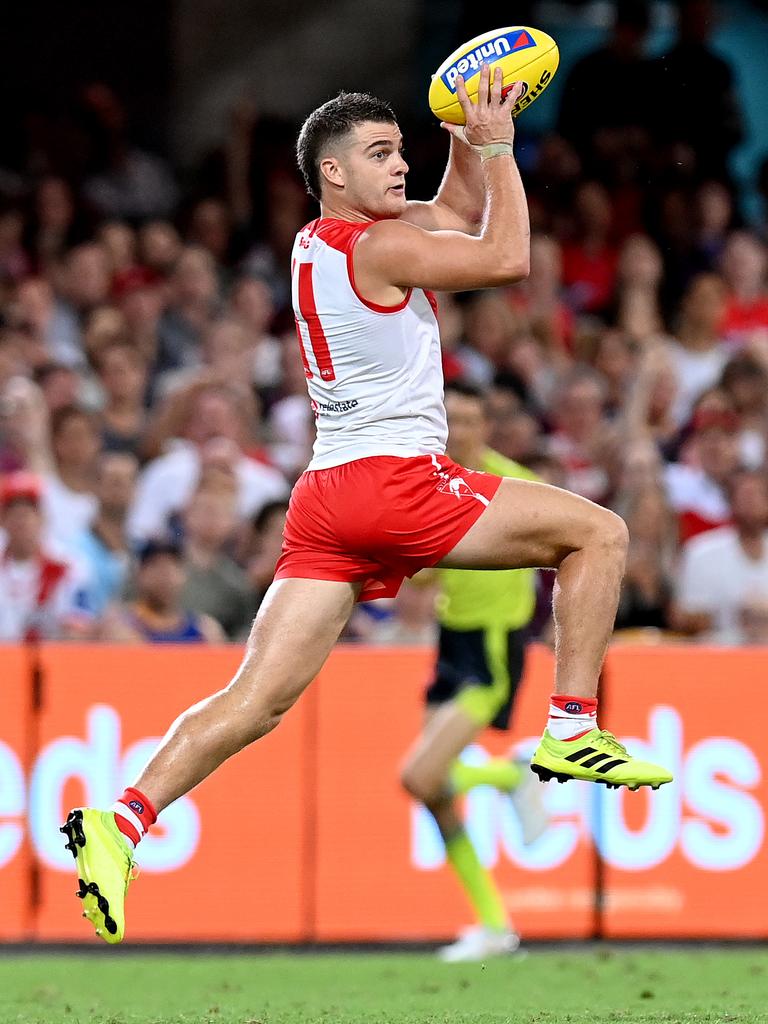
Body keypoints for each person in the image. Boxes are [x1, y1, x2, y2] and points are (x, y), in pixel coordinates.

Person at [61, 69, 671, 945]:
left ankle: (120, 822)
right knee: (598, 533)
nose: (399, 166)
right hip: (395, 483)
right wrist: (500, 147)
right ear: (334, 174)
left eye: (401, 149)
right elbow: (505, 256)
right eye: (380, 154)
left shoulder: (326, 241)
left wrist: (466, 127)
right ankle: (572, 728)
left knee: (256, 699)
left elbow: (456, 208)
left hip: (326, 499)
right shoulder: (377, 249)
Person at [401, 382, 548, 963]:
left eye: (469, 419)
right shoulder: (428, 486)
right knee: (435, 797)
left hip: (492, 648)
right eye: (449, 419)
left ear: (485, 427)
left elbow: (549, 558)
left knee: (418, 777)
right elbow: (422, 577)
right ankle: (494, 926)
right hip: (449, 643)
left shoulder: (514, 489)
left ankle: (513, 778)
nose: (458, 430)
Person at [671, 470, 768, 643]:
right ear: (731, 502)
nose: (752, 502)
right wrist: (733, 614)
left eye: (758, 495)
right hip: (719, 655)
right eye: (745, 496)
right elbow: (684, 616)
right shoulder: (701, 551)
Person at [100, 538, 225, 644]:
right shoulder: (122, 627)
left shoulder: (205, 630)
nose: (165, 577)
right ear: (139, 574)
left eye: (172, 567)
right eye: (157, 567)